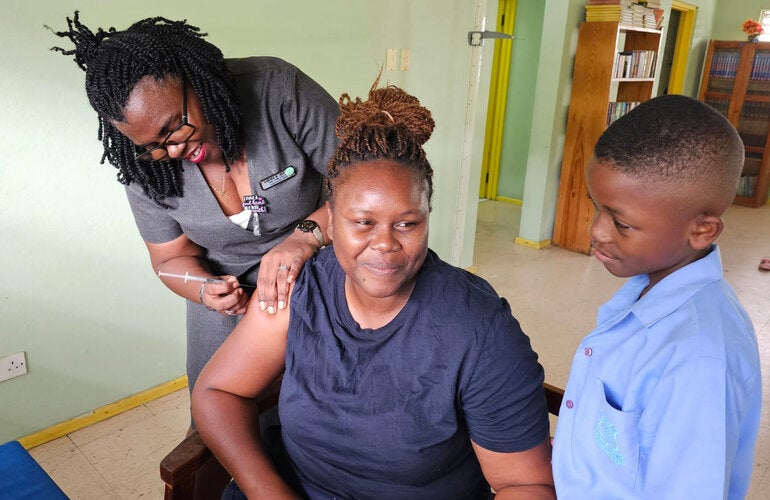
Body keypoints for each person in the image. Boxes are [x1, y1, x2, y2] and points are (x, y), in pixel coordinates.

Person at [191, 79, 555, 499]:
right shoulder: (300, 288)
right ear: (330, 218)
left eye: (407, 223)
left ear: (427, 217)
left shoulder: (479, 329)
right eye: (362, 222)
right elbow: (218, 391)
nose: (385, 244)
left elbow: (524, 484)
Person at [49, 12, 339, 395]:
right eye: (153, 146)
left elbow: (365, 188)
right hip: (227, 288)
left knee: (326, 396)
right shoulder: (144, 166)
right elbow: (169, 260)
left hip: (324, 254)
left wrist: (306, 236)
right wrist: (205, 289)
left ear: (195, 80)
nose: (173, 149)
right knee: (214, 404)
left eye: (174, 126)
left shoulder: (276, 90)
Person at [552, 95, 762, 498]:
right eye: (597, 208)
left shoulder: (698, 359)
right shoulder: (647, 289)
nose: (597, 231)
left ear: (702, 231)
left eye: (622, 223)